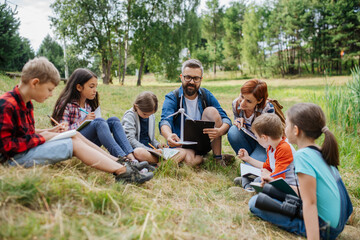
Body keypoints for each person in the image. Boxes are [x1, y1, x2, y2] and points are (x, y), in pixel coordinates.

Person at [0, 57, 153, 184]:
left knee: (74, 135)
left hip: (25, 150)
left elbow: (25, 132)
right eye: (49, 89)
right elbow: (7, 147)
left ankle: (119, 162)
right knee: (72, 143)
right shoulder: (7, 105)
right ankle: (123, 172)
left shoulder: (25, 103)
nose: (52, 94)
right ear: (35, 83)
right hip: (13, 159)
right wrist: (43, 137)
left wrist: (49, 131)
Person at [248, 103, 352, 239]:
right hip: (338, 221)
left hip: (325, 228)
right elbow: (307, 191)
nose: (284, 129)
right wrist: (273, 182)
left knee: (255, 203)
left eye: (287, 125)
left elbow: (310, 202)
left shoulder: (302, 156)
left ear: (296, 130)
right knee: (268, 188)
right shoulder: (320, 150)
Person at [52, 68, 152, 170]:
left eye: (96, 86)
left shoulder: (87, 105)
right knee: (99, 122)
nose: (95, 90)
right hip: (75, 143)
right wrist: (83, 121)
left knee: (113, 120)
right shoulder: (67, 105)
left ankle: (132, 159)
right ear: (79, 87)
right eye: (91, 86)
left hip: (90, 142)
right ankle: (125, 161)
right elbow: (62, 132)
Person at [159, 59, 232, 166]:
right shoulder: (172, 97)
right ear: (181, 77)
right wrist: (169, 135)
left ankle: (217, 158)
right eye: (188, 77)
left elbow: (226, 119)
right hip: (181, 143)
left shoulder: (206, 95)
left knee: (211, 111)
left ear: (201, 79)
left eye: (196, 78)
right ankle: (206, 160)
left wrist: (220, 131)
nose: (191, 82)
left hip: (203, 142)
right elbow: (165, 121)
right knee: (189, 161)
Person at [235, 114, 296, 192]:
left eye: (256, 137)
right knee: (249, 176)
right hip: (275, 178)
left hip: (287, 185)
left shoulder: (284, 148)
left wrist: (267, 175)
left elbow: (278, 178)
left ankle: (248, 188)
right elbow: (267, 166)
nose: (256, 139)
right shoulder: (271, 147)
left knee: (259, 180)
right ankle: (249, 184)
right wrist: (248, 159)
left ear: (264, 137)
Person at [122, 91, 186, 164]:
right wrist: (149, 150)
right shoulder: (130, 116)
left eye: (150, 114)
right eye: (145, 114)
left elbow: (151, 139)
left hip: (151, 151)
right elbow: (130, 139)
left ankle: (159, 164)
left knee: (182, 152)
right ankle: (166, 162)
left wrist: (158, 145)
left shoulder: (151, 116)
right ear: (136, 106)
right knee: (139, 152)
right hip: (138, 150)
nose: (147, 117)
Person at [227, 79, 275, 163]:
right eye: (242, 96)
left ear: (259, 101)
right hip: (248, 140)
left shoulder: (267, 109)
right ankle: (250, 160)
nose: (242, 103)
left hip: (264, 145)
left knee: (253, 170)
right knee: (233, 131)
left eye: (248, 101)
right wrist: (237, 121)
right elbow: (237, 126)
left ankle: (252, 161)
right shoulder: (236, 104)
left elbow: (270, 139)